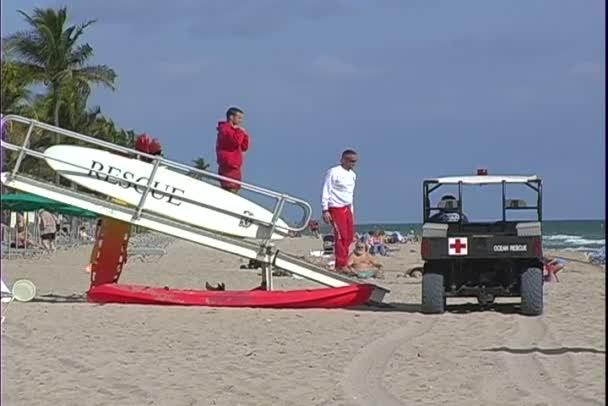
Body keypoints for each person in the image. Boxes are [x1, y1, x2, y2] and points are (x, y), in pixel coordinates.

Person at [321, 149, 358, 273]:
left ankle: (344, 262)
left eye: (355, 162)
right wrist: (325, 210)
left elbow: (350, 194)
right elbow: (326, 190)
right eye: (351, 161)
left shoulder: (352, 175)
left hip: (347, 207)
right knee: (340, 236)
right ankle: (340, 264)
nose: (353, 164)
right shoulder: (333, 172)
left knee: (349, 236)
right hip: (335, 207)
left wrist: (352, 211)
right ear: (343, 160)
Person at [216, 107, 250, 193]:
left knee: (235, 190)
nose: (240, 121)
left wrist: (245, 135)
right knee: (230, 190)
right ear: (231, 117)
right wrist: (239, 131)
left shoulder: (235, 131)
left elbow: (244, 147)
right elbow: (234, 142)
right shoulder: (225, 129)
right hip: (228, 166)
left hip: (235, 167)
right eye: (239, 118)